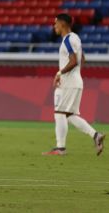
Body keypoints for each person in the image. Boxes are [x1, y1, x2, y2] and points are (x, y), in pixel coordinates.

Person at [43, 13, 105, 156]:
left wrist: (60, 73)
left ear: (63, 24)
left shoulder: (67, 40)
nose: (54, 26)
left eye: (56, 23)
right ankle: (96, 135)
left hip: (69, 83)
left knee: (59, 113)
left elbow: (73, 61)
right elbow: (82, 58)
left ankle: (60, 148)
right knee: (69, 115)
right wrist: (76, 73)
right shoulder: (76, 38)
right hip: (75, 81)